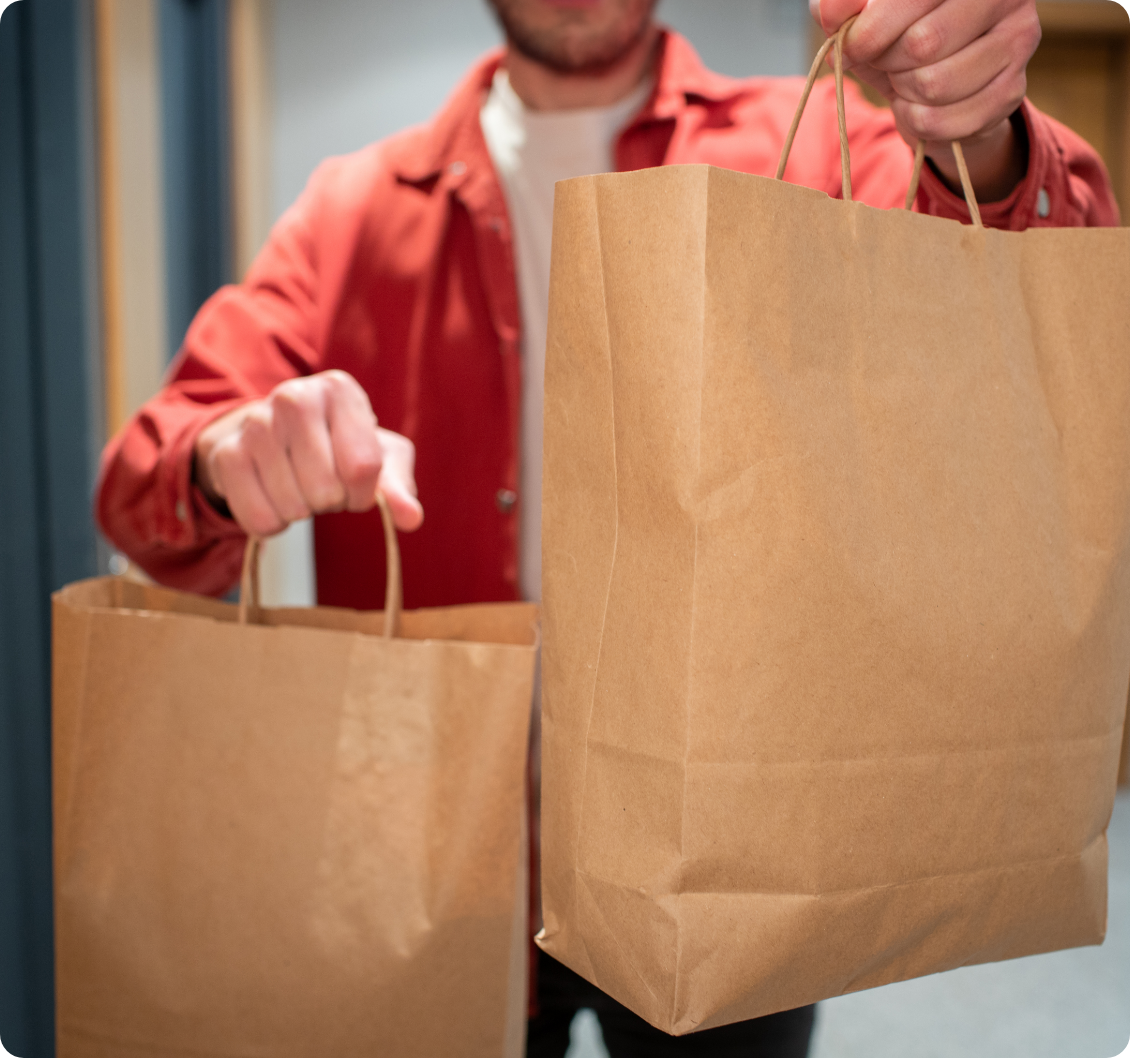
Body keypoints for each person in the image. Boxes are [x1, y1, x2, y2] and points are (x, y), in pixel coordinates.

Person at [96, 0, 1120, 1053]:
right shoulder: (351, 209)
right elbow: (141, 485)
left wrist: (978, 135)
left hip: (738, 844)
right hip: (434, 860)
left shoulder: (803, 139)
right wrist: (226, 459)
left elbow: (1050, 273)